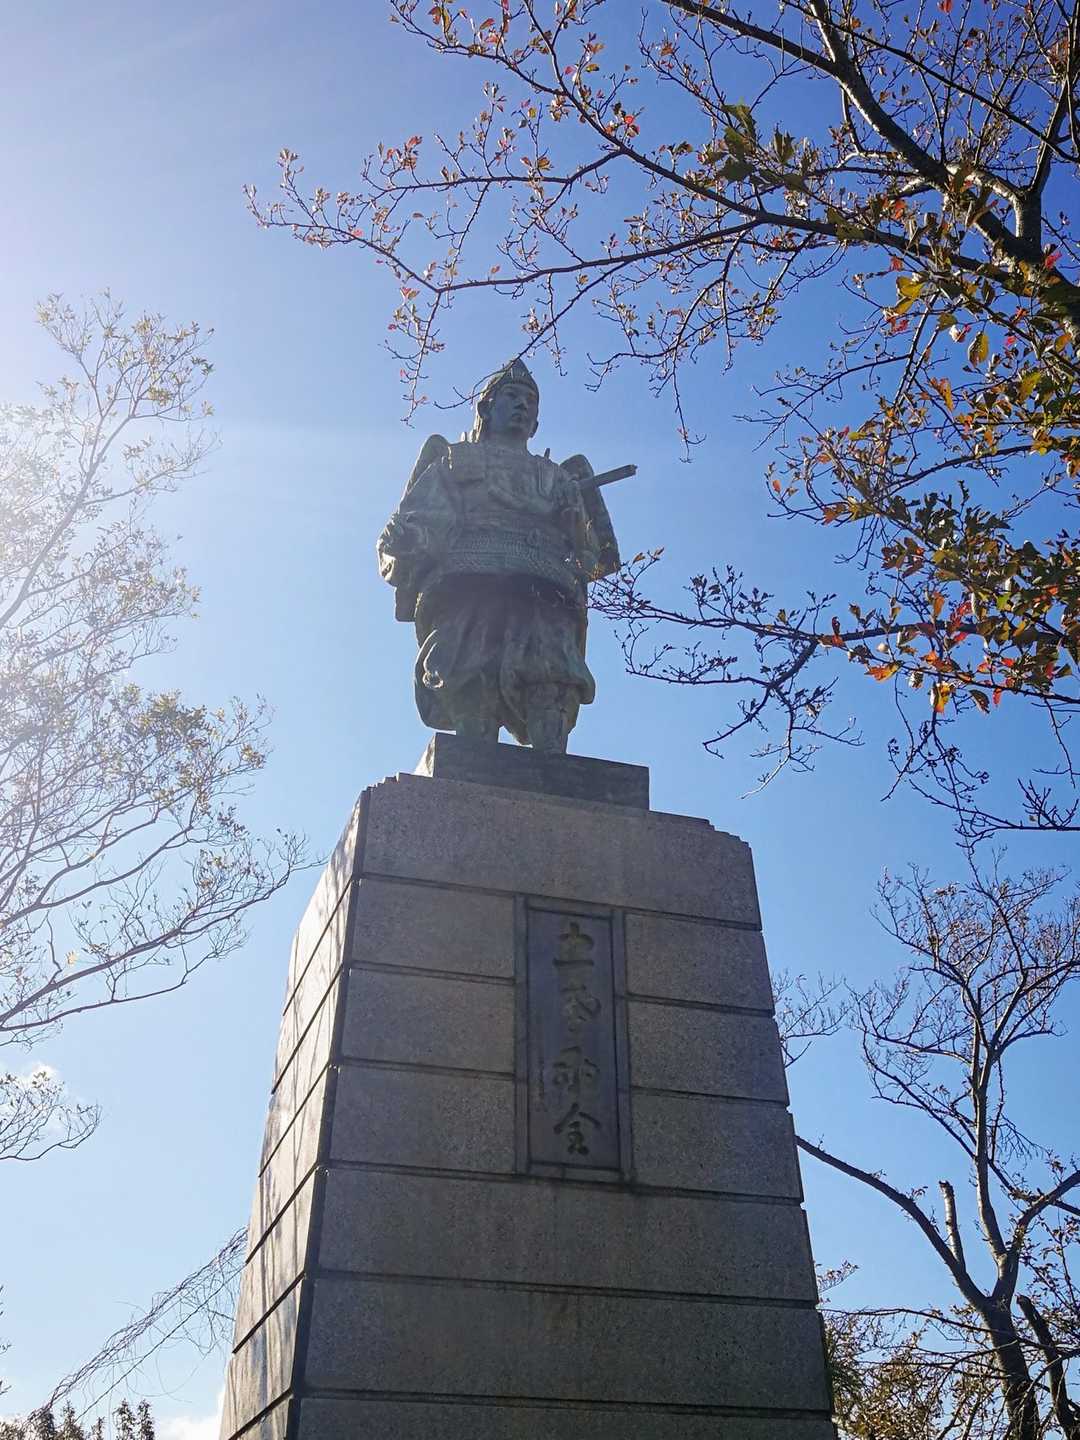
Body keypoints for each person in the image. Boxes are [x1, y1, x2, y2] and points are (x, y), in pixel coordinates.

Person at [377, 359, 620, 752]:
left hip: (545, 592)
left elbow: (594, 560)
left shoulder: (559, 478)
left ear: (537, 422)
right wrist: (406, 538)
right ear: (486, 408)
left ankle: (554, 772)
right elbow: (424, 524)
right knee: (471, 682)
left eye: (530, 401)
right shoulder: (454, 461)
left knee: (552, 683)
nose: (523, 405)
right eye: (512, 395)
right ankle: (470, 769)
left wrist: (575, 524)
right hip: (469, 587)